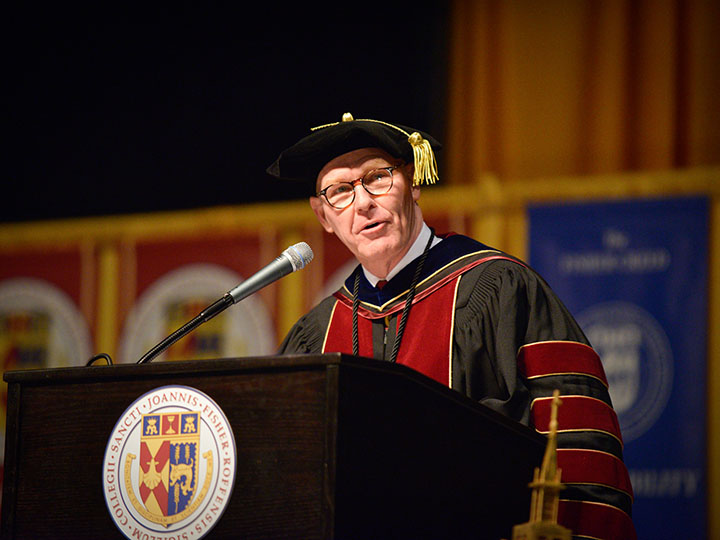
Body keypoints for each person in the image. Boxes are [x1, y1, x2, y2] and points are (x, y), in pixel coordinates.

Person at [268, 112, 636, 539]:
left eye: (377, 178)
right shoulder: (317, 333)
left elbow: (577, 443)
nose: (363, 202)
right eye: (340, 191)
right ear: (323, 216)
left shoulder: (499, 288)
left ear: (413, 183)